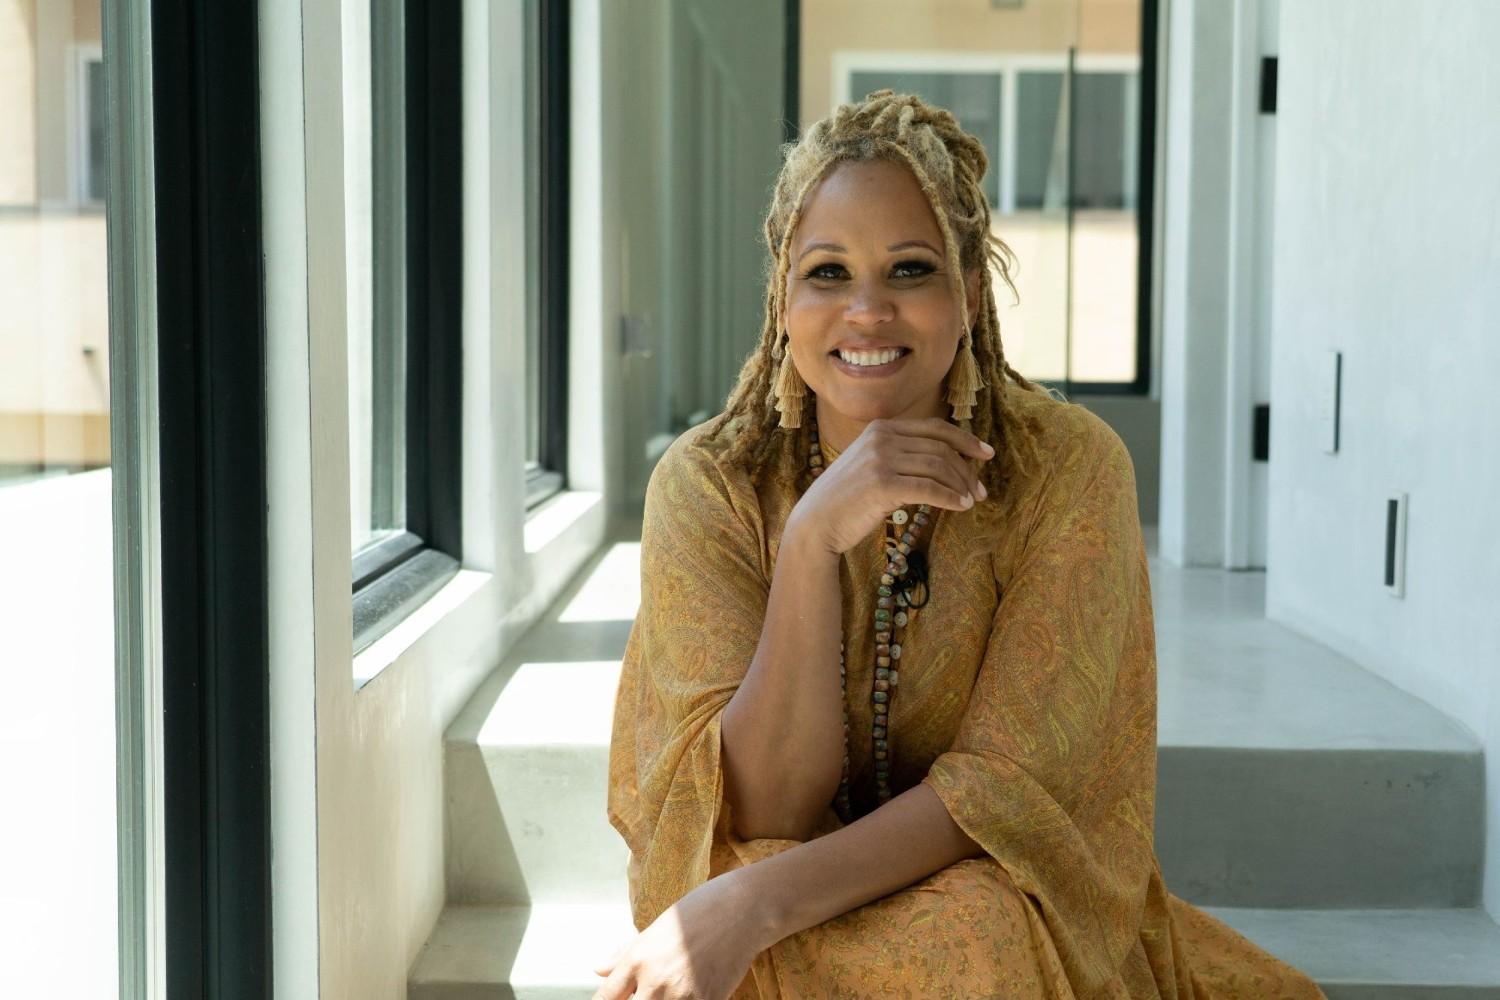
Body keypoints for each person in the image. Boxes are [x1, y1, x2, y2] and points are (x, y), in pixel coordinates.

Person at [596, 89, 1327, 1000]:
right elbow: (767, 808)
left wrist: (750, 907)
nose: (867, 311)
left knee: (971, 928)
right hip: (781, 868)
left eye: (910, 269)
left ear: (969, 292)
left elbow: (1002, 796)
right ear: (782, 296)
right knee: (733, 897)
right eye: (827, 272)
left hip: (977, 888)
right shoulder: (711, 482)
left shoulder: (1067, 469)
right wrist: (813, 540)